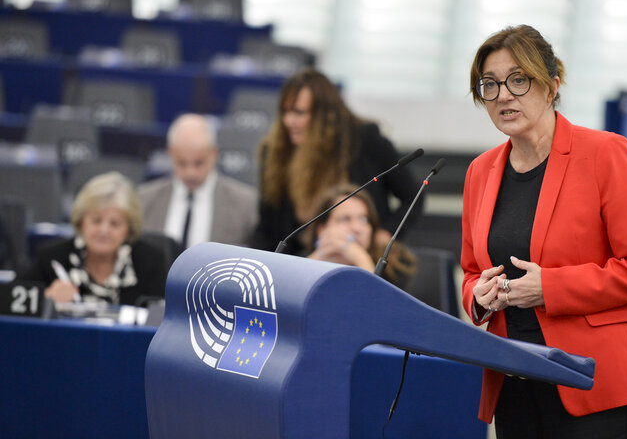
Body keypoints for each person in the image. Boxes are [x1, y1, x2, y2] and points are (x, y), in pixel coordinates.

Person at [461, 25, 627, 438]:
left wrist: (552, 287)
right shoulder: (480, 172)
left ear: (551, 85)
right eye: (490, 84)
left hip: (593, 385)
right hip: (514, 382)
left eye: (518, 80)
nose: (504, 95)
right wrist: (478, 298)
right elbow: (471, 271)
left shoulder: (605, 154)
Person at [253, 68, 422, 254]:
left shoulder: (365, 141)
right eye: (285, 112)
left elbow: (413, 196)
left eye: (298, 112)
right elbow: (267, 226)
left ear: (323, 117)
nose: (288, 121)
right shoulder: (276, 152)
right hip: (299, 259)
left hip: (359, 254)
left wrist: (385, 233)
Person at [22, 171, 166, 305]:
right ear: (81, 221)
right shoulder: (51, 258)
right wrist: (45, 299)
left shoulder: (151, 263)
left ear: (129, 229)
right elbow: (10, 304)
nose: (104, 231)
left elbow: (168, 319)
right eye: (96, 221)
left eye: (115, 224)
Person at [138, 113, 258, 249]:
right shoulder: (144, 200)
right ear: (170, 153)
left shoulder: (246, 205)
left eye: (199, 163)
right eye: (181, 163)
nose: (190, 173)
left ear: (214, 154)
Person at [306, 184, 416, 290]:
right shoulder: (305, 257)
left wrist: (360, 258)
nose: (357, 228)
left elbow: (376, 304)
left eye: (364, 219)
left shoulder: (393, 264)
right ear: (322, 229)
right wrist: (319, 256)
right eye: (345, 219)